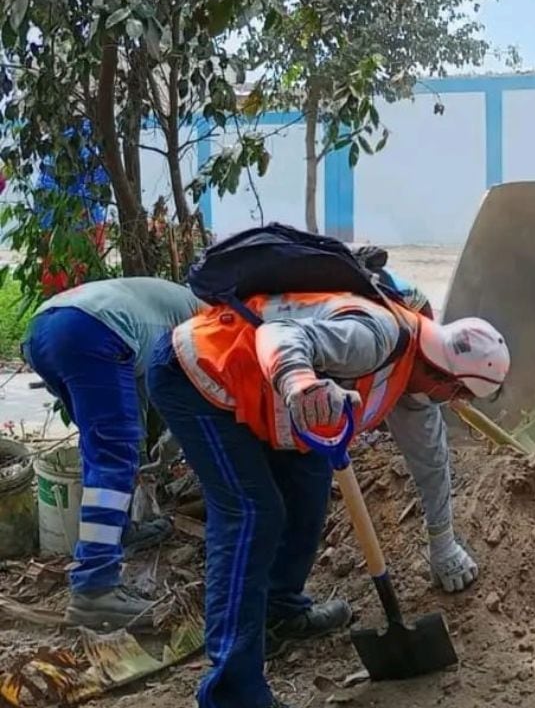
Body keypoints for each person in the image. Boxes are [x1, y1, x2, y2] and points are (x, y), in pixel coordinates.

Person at [146, 285, 509, 708]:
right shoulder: (377, 336)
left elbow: (431, 463)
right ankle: (233, 693)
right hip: (200, 374)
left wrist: (442, 541)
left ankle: (279, 611)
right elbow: (279, 335)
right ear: (443, 375)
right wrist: (301, 383)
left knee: (309, 486)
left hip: (259, 393)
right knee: (252, 512)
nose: (454, 403)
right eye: (458, 394)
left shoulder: (415, 391)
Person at [20, 276, 201, 629]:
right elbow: (194, 403)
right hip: (91, 330)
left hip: (44, 329)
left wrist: (158, 444)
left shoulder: (173, 305)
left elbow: (146, 390)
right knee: (113, 457)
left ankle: (117, 532)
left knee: (103, 446)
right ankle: (95, 588)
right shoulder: (206, 324)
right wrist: (175, 442)